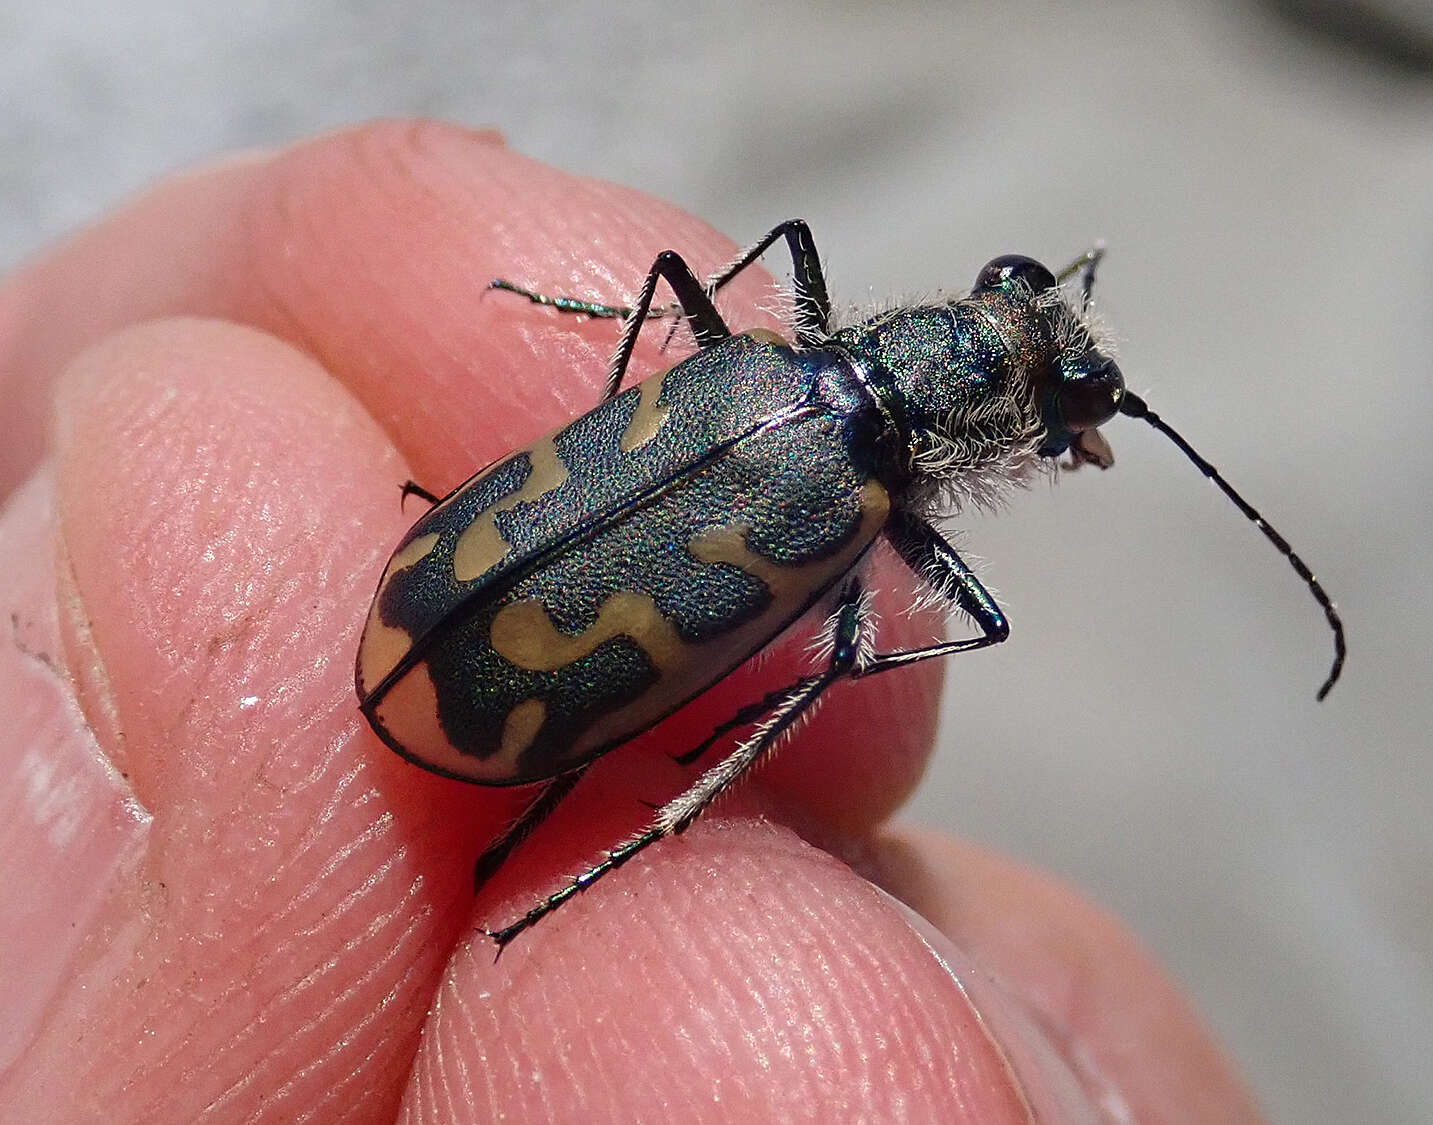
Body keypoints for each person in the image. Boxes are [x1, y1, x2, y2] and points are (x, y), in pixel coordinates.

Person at [0, 120, 1261, 1122]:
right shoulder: (866, 499)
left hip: (465, 565)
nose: (1032, 322)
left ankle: (661, 788)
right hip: (482, 605)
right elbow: (961, 624)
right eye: (1034, 325)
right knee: (872, 649)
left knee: (716, 366)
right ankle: (673, 799)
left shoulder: (778, 364)